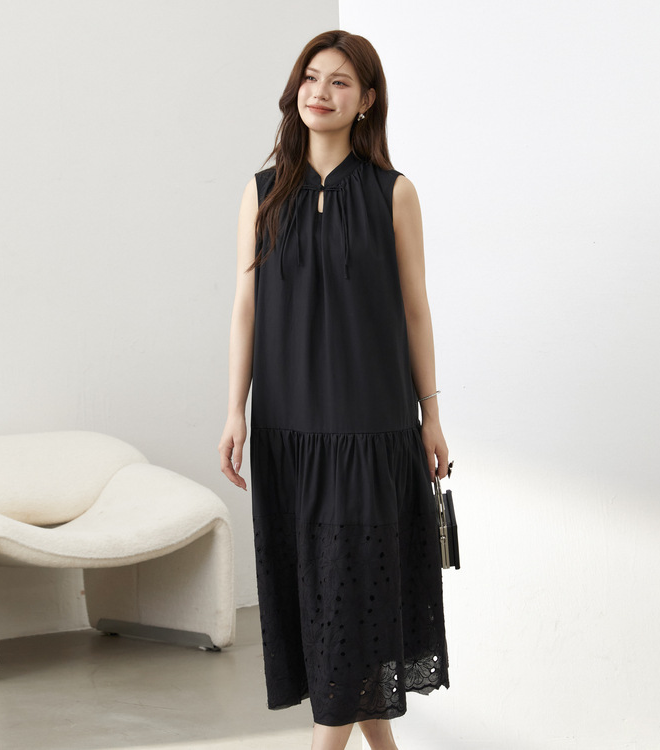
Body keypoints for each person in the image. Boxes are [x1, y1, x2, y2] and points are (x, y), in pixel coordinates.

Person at [218, 29, 450, 750]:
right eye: (311, 77)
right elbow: (246, 306)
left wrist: (431, 415)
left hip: (371, 427)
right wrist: (234, 411)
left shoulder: (394, 193)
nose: (320, 92)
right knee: (328, 607)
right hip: (287, 430)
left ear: (367, 100)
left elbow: (416, 310)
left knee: (352, 596)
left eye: (340, 81)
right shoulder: (262, 193)